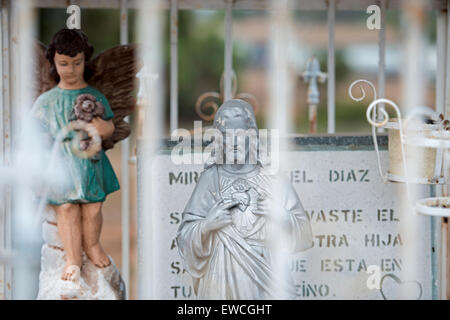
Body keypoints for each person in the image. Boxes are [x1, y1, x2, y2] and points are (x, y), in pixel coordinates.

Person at [176, 99, 313, 299]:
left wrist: (281, 215)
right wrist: (207, 225)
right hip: (221, 279)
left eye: (239, 135)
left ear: (252, 137)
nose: (233, 142)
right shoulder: (211, 179)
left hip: (267, 277)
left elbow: (305, 234)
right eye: (226, 135)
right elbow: (184, 237)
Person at [33, 29, 119, 283]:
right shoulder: (47, 101)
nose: (70, 69)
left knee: (93, 208)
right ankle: (73, 259)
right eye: (63, 64)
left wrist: (102, 127)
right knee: (67, 208)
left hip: (89, 162)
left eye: (77, 63)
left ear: (85, 61)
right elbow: (34, 131)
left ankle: (92, 245)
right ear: (54, 63)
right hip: (61, 165)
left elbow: (109, 126)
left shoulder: (94, 96)